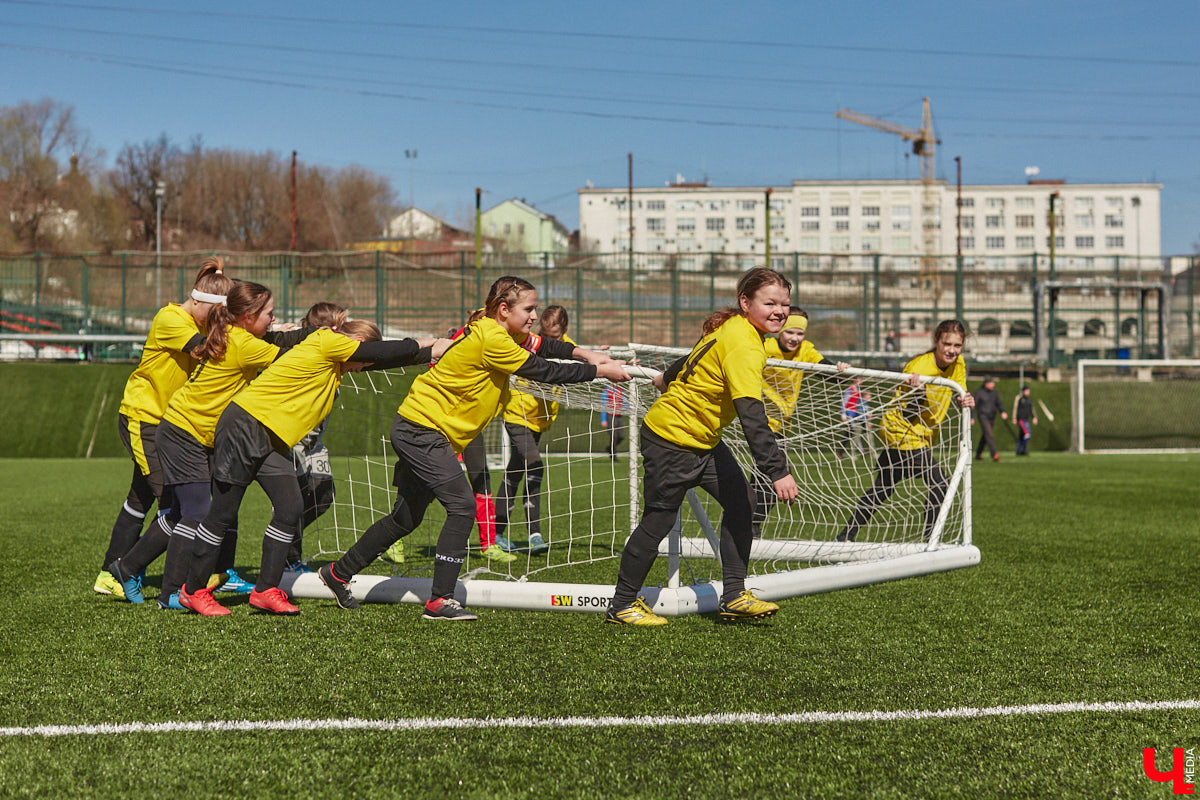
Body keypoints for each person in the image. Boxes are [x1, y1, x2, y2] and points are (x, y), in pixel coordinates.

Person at [318, 276, 629, 621]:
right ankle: (440, 600)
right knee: (463, 506)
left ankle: (338, 572)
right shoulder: (492, 338)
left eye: (535, 309)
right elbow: (542, 370)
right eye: (528, 309)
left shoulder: (502, 331)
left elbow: (544, 347)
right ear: (504, 308)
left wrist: (584, 352)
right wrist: (599, 370)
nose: (533, 316)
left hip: (424, 430)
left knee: (406, 518)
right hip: (422, 430)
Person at [177, 320, 447, 616]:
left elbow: (377, 359)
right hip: (245, 426)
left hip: (271, 435)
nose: (361, 368)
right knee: (223, 514)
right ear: (356, 341)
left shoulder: (334, 359)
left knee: (291, 507)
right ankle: (193, 591)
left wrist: (428, 349)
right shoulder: (327, 341)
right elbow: (381, 352)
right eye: (364, 359)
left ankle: (266, 590)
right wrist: (422, 345)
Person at [607, 267, 799, 626]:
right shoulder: (744, 342)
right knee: (659, 520)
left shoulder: (735, 329)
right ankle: (621, 605)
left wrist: (668, 375)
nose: (779, 311)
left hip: (703, 440)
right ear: (745, 302)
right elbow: (751, 415)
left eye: (785, 304)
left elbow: (699, 354)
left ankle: (734, 596)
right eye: (769, 302)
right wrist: (778, 471)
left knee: (743, 502)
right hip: (672, 439)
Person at [108, 281, 311, 607]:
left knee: (183, 512)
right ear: (247, 317)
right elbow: (291, 358)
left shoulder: (236, 336)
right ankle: (172, 592)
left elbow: (277, 341)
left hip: (194, 432)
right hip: (182, 432)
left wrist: (297, 332)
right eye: (270, 314)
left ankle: (129, 567)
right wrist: (330, 343)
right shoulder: (240, 343)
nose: (274, 319)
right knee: (197, 511)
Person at [93, 257, 234, 599]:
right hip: (146, 420)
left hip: (167, 424)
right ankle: (149, 574)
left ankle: (110, 574)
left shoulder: (196, 319)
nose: (214, 323)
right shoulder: (170, 318)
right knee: (178, 505)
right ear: (197, 299)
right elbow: (203, 351)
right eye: (213, 315)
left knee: (139, 500)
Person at [836, 320, 976, 543]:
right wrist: (916, 393)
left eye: (957, 345)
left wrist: (965, 399)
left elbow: (959, 391)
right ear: (936, 341)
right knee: (939, 483)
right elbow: (907, 410)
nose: (952, 350)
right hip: (900, 430)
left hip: (920, 434)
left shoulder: (958, 363)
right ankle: (930, 541)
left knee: (882, 489)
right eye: (947, 344)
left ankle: (844, 536)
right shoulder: (918, 367)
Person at [752, 307, 847, 537]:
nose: (794, 338)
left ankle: (746, 523)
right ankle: (750, 526)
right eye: (789, 332)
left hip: (782, 427)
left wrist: (839, 370)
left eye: (800, 333)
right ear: (779, 331)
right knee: (777, 476)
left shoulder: (806, 351)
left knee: (763, 479)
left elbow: (825, 368)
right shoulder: (766, 347)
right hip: (757, 421)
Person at [494, 304, 574, 555]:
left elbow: (581, 359)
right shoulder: (531, 344)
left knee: (516, 471)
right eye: (547, 336)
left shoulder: (566, 346)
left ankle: (495, 533)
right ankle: (534, 533)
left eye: (556, 337)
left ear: (565, 331)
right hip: (518, 413)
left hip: (539, 420)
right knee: (534, 464)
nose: (551, 341)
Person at [287, 302, 351, 572]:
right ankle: (289, 558)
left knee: (323, 494)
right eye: (341, 326)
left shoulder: (336, 352)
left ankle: (286, 535)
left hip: (315, 442)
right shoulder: (306, 353)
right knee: (296, 500)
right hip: (294, 439)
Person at [972, 377, 1007, 462]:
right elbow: (973, 406)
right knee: (989, 434)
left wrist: (1003, 411)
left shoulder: (994, 393)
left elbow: (998, 403)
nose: (993, 384)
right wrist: (971, 417)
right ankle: (994, 454)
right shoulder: (979, 393)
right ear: (986, 384)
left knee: (985, 435)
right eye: (991, 383)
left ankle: (978, 454)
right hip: (983, 416)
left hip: (992, 416)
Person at [839, 378, 873, 460]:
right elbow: (844, 401)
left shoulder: (858, 390)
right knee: (852, 432)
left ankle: (860, 451)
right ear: (854, 381)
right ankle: (843, 452)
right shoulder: (849, 390)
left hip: (855, 414)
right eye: (858, 380)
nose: (860, 382)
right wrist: (843, 414)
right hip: (849, 413)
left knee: (852, 433)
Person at [600, 383, 626, 461]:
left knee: (621, 436)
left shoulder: (620, 390)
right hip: (610, 416)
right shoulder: (606, 391)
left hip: (619, 415)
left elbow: (625, 402)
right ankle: (613, 455)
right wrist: (603, 420)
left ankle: (609, 448)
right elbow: (603, 405)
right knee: (613, 436)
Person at [1013, 385, 1038, 456]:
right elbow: (1015, 409)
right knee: (1027, 433)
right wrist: (1014, 418)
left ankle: (1018, 451)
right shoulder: (1020, 399)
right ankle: (1024, 450)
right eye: (1027, 391)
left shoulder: (1029, 400)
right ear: (1023, 391)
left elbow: (1031, 410)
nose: (1028, 392)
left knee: (1021, 435)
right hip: (1021, 419)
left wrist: (1034, 417)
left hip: (1026, 420)